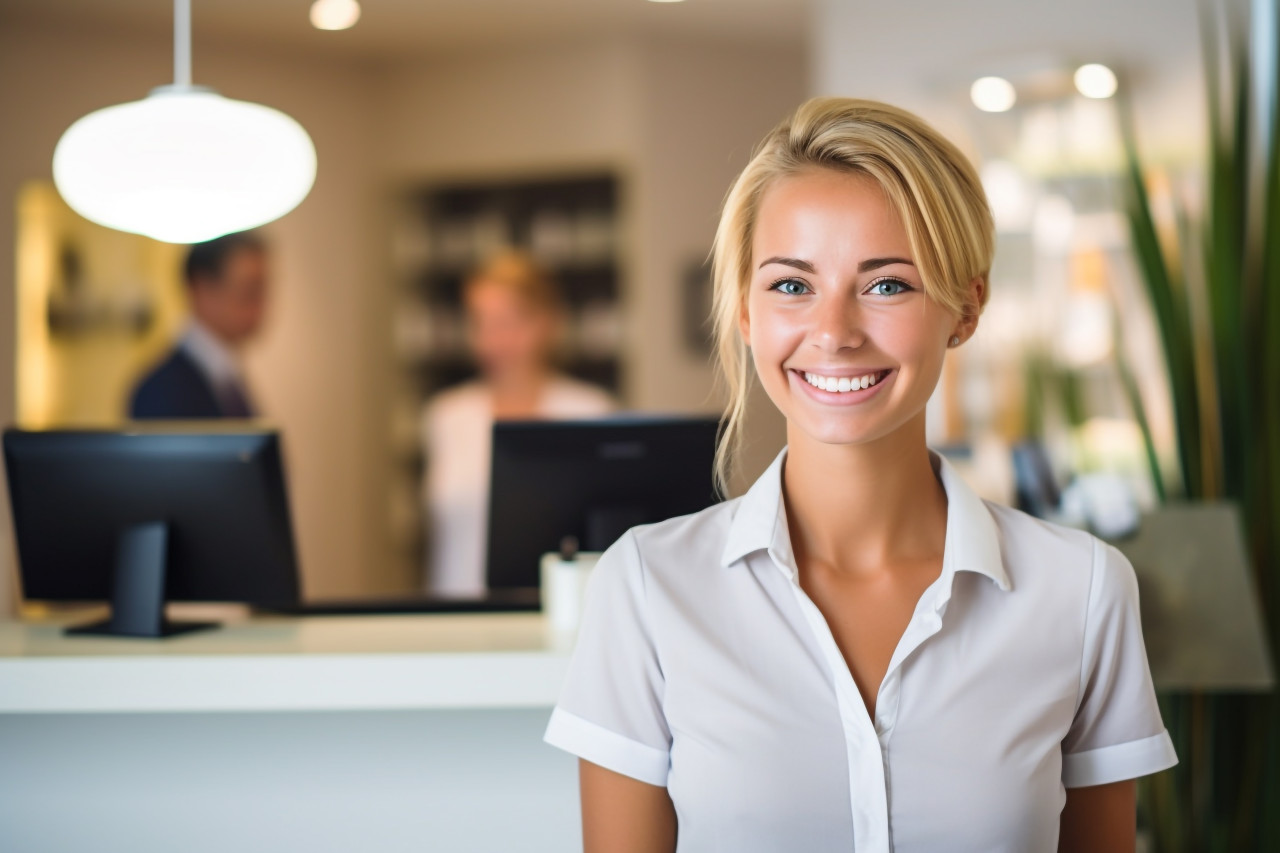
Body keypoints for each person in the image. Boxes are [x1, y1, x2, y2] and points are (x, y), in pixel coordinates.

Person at [543, 98, 1176, 852]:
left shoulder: (1081, 590)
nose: (835, 334)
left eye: (886, 285)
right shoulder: (648, 588)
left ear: (966, 307)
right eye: (790, 285)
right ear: (746, 311)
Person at [422, 250, 614, 596]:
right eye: (480, 322)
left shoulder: (588, 410)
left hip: (563, 617)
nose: (492, 340)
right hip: (458, 619)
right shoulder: (448, 416)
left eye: (507, 322)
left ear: (546, 322)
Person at [130, 232, 268, 419]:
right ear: (202, 288)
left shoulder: (226, 377)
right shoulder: (161, 390)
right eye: (249, 291)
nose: (262, 305)